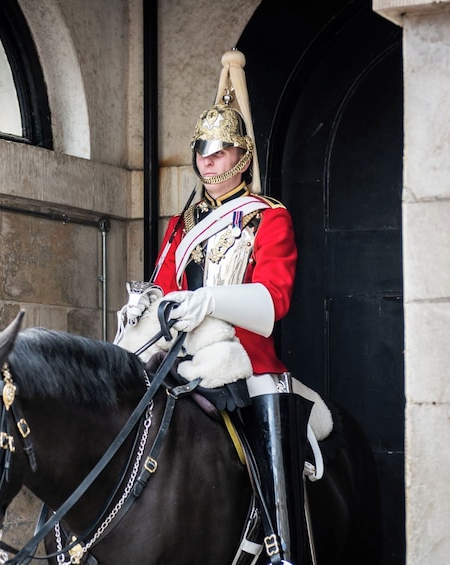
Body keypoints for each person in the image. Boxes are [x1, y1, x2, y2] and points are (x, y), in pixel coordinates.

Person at [116, 50, 317, 565]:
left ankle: (283, 546)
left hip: (247, 358)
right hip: (185, 356)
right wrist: (141, 312)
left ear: (242, 156)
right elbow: (163, 290)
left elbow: (274, 301)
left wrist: (210, 300)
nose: (208, 159)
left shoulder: (268, 219)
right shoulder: (182, 226)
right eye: (202, 149)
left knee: (273, 443)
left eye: (221, 150)